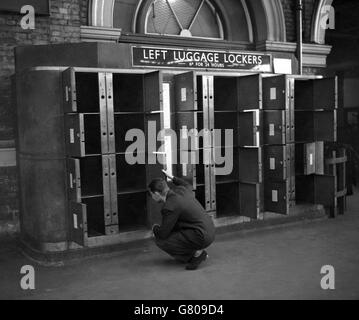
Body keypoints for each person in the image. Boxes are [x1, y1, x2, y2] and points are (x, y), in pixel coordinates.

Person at [148, 170, 216, 270]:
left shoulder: (169, 206)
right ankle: (197, 252)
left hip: (201, 236)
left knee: (160, 240)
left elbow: (163, 234)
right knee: (174, 227)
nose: (151, 197)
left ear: (157, 194)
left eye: (151, 194)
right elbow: (186, 184)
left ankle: (196, 255)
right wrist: (172, 177)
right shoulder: (182, 190)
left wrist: (154, 229)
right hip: (210, 230)